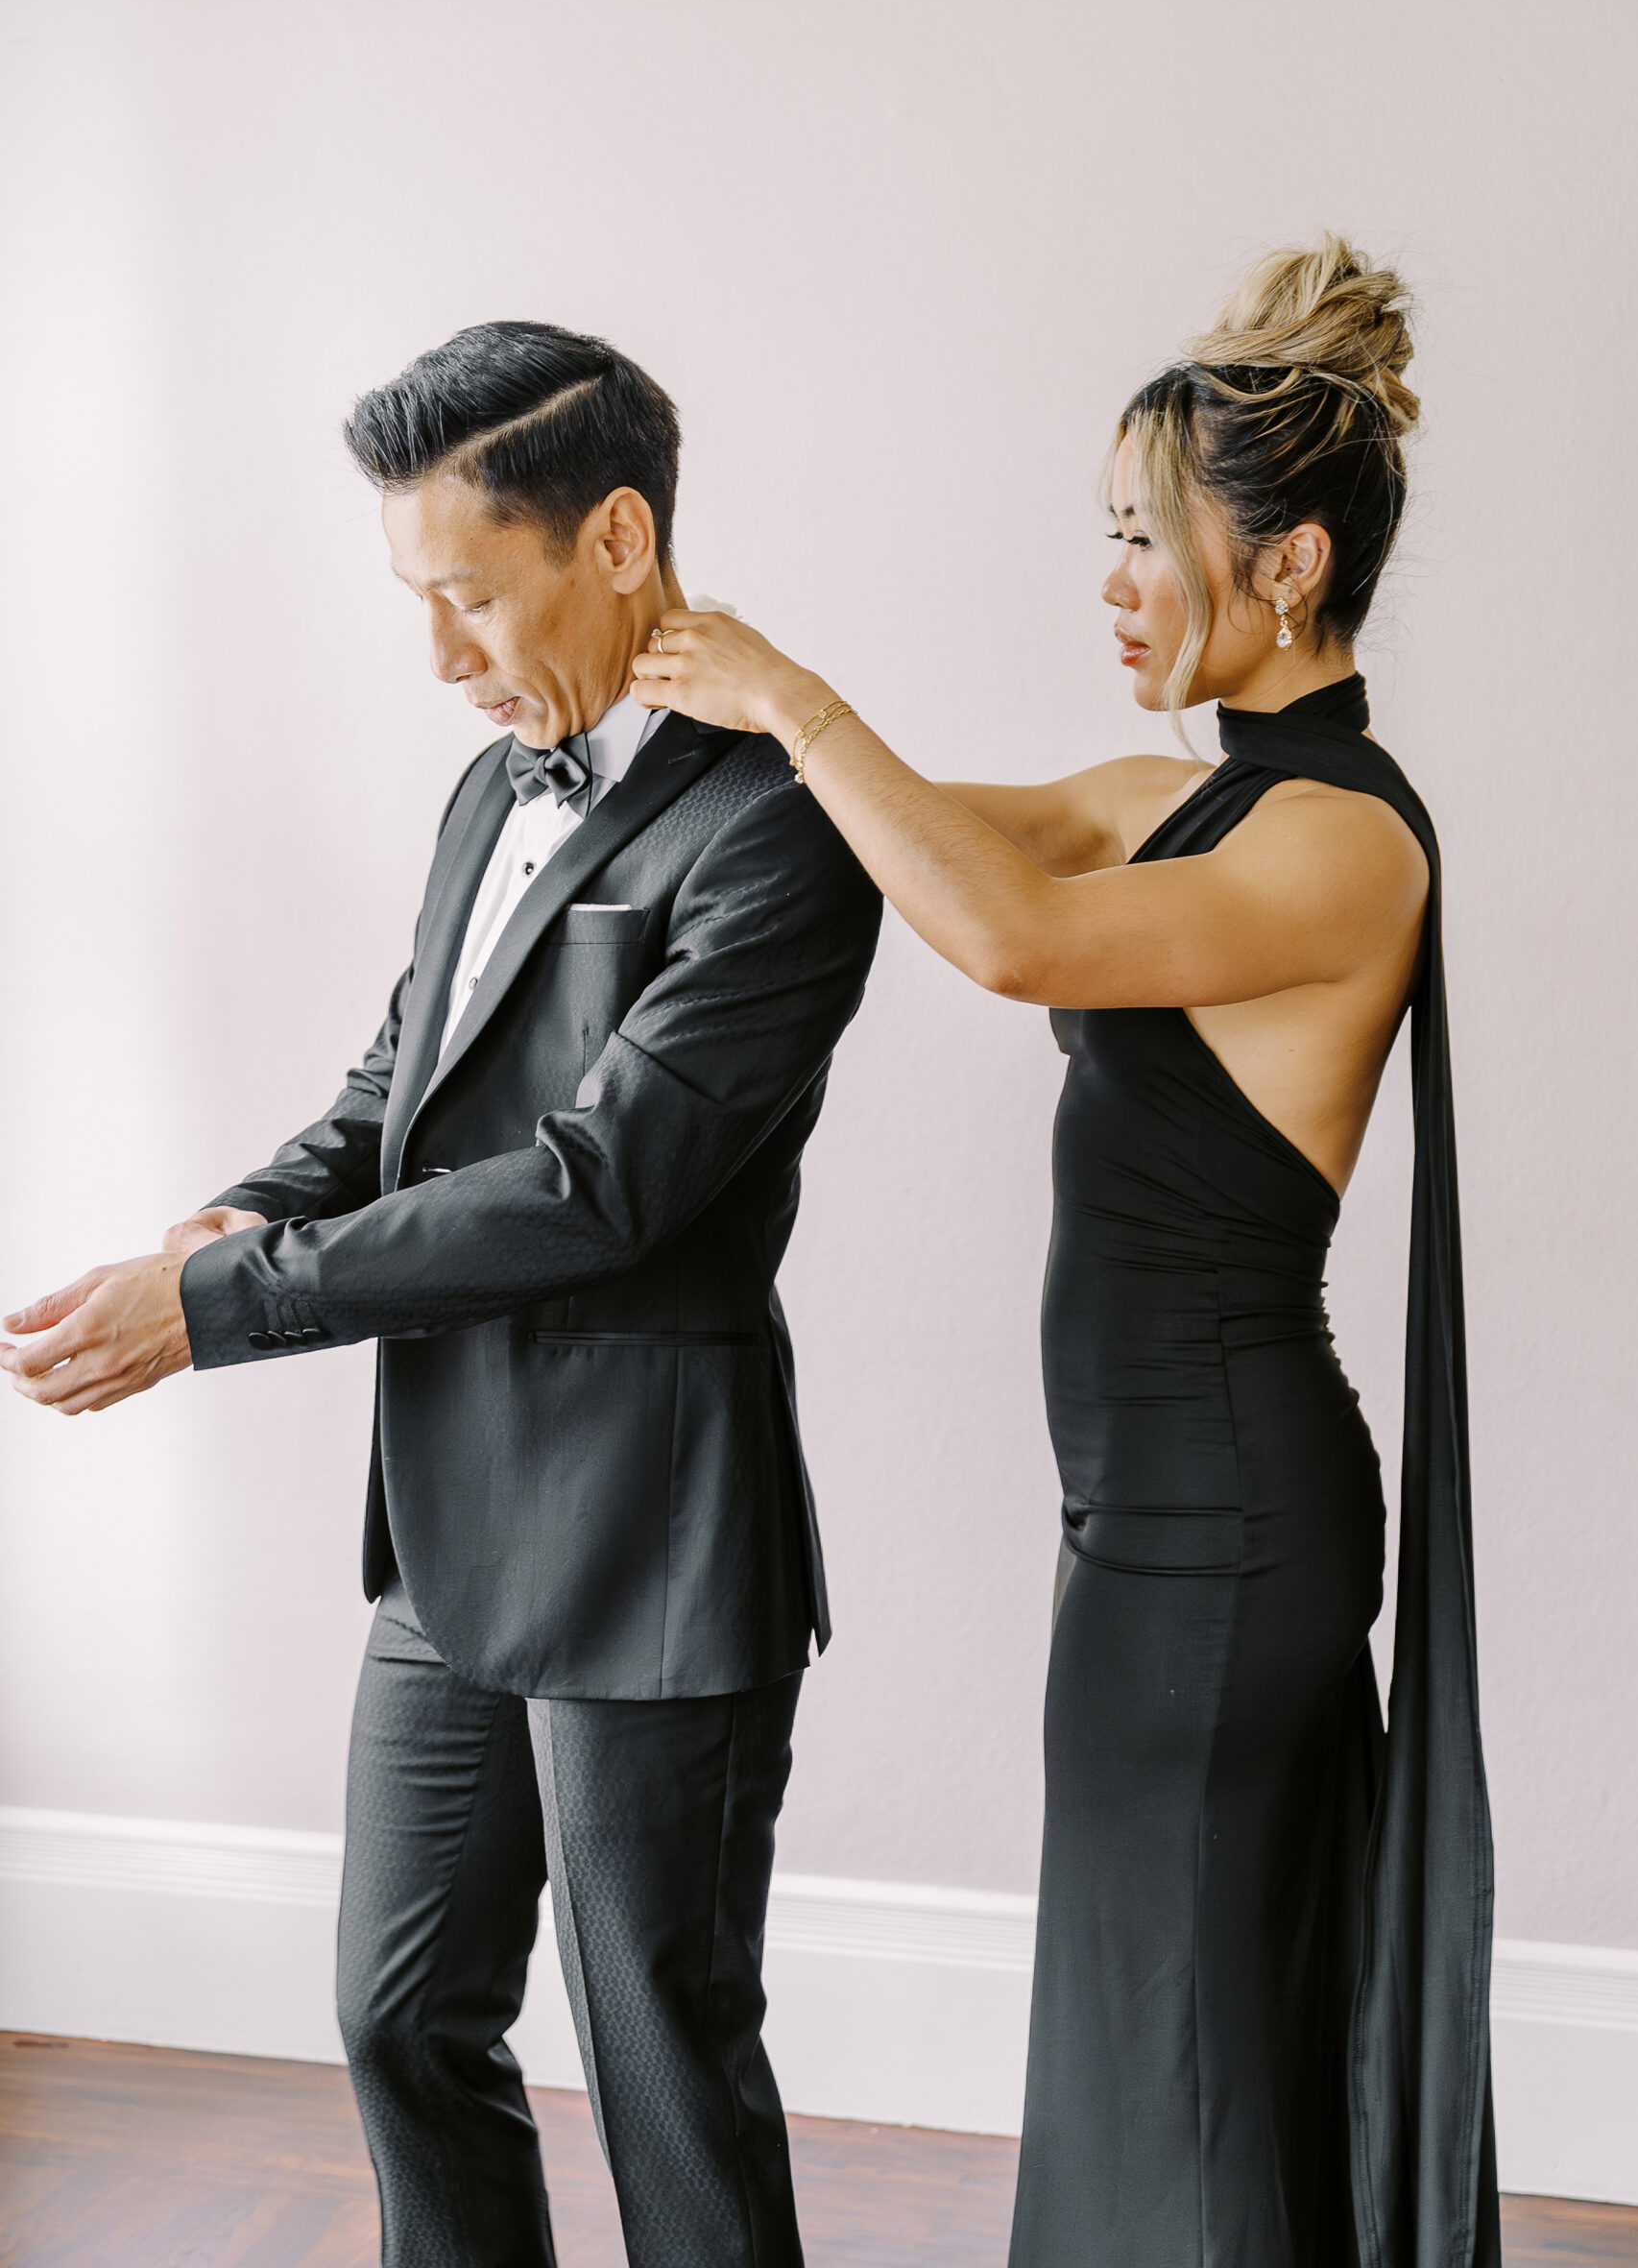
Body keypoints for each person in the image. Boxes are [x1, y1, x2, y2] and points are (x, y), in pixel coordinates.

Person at [628, 237, 1500, 2268]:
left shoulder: (1341, 840)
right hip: (1153, 1514)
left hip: (1225, 1524)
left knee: (1177, 2035)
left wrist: (799, 691)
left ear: (1281, 568)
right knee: (1161, 2025)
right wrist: (631, 669)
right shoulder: (1167, 803)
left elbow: (1004, 934)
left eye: (1141, 540)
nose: (1108, 581)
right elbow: (892, 829)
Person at [0, 323, 882, 2268]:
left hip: (652, 1540)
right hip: (450, 1527)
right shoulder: (489, 796)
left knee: (660, 2050)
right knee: (398, 2013)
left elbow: (599, 1188)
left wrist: (228, 1314)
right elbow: (394, 1092)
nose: (442, 654)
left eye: (469, 594)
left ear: (621, 537)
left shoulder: (786, 827)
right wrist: (227, 1217)